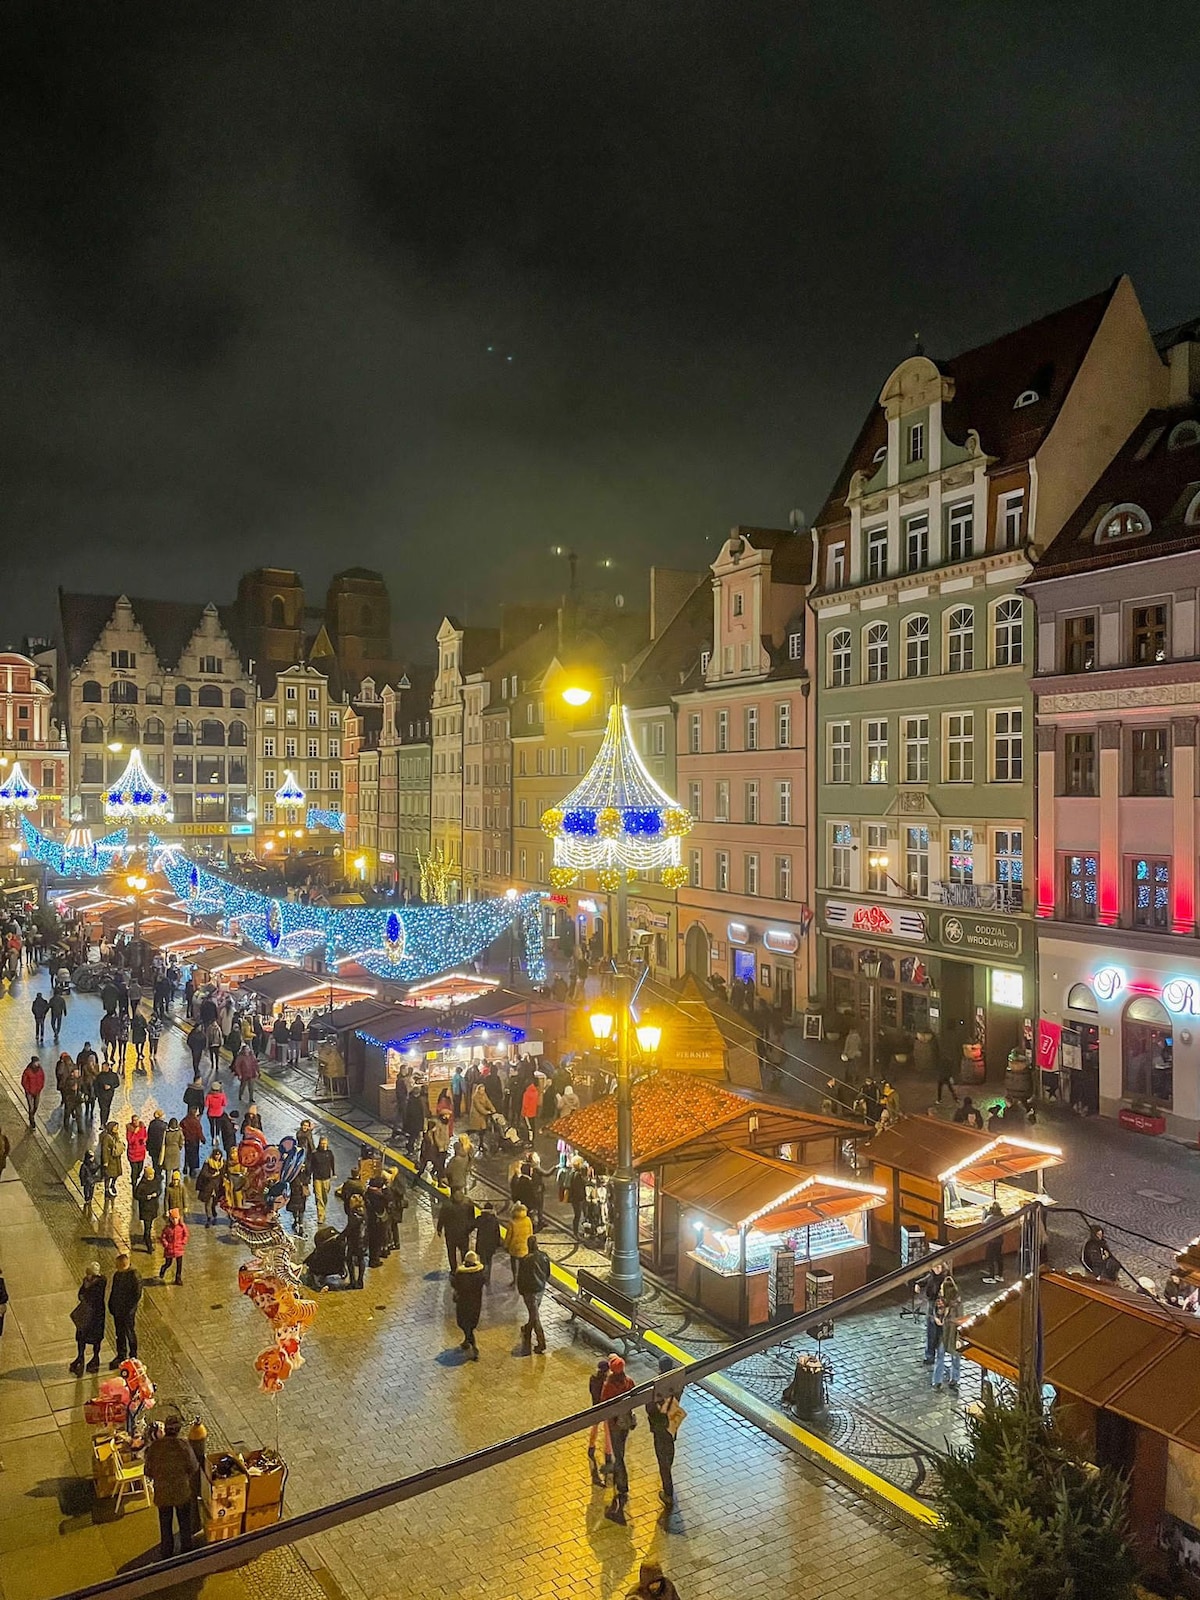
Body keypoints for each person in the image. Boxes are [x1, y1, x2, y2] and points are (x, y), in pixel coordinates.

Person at [143, 1414, 200, 1558]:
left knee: (165, 1524)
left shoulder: (155, 1447)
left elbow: (147, 1471)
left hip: (162, 1494)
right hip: (181, 1492)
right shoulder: (183, 1445)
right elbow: (193, 1467)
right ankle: (186, 1549)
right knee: (184, 1523)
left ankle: (166, 1552)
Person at [646, 1356, 686, 1507]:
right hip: (672, 1422)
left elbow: (650, 1408)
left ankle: (668, 1492)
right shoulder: (677, 1383)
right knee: (669, 1448)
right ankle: (668, 1466)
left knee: (662, 1457)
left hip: (660, 1426)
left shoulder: (656, 1386)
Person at [601, 1354, 636, 1523]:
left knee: (619, 1454)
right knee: (620, 1448)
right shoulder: (628, 1381)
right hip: (626, 1422)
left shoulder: (609, 1385)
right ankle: (618, 1476)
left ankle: (622, 1485)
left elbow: (603, 1401)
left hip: (615, 1424)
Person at [516, 1233, 550, 1354]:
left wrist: (521, 1290)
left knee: (535, 1317)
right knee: (533, 1313)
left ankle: (541, 1343)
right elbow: (548, 1274)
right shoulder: (544, 1257)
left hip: (530, 1291)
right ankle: (527, 1329)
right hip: (540, 1289)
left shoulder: (525, 1259)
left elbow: (520, 1277)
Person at [70, 1263, 107, 1373]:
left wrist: (86, 1288)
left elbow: (92, 1296)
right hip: (85, 1314)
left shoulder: (100, 1283)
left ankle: (95, 1359)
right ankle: (80, 1357)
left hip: (95, 1316)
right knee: (81, 1337)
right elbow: (81, 1294)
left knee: (96, 1339)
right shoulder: (86, 1281)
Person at [108, 1253, 142, 1364]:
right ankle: (121, 1354)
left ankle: (133, 1355)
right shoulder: (117, 1275)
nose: (116, 1267)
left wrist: (130, 1310)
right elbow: (114, 1290)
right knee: (119, 1333)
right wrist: (111, 1305)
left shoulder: (134, 1275)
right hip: (118, 1310)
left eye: (118, 1265)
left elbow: (136, 1295)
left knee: (129, 1332)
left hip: (127, 1312)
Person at [452, 1249, 486, 1358]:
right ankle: (467, 1341)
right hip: (476, 1303)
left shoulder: (461, 1275)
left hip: (463, 1303)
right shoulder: (480, 1274)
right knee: (471, 1323)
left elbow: (455, 1284)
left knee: (462, 1322)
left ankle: (473, 1343)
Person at [437, 1188, 476, 1274]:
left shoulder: (447, 1205)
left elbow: (442, 1217)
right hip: (463, 1233)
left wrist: (439, 1229)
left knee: (451, 1252)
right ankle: (465, 1267)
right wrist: (469, 1229)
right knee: (464, 1251)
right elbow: (472, 1218)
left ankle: (453, 1270)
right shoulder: (468, 1203)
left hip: (450, 1234)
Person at [917, 1259, 949, 1364]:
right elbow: (926, 1280)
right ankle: (930, 1355)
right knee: (931, 1332)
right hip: (931, 1305)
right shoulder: (932, 1276)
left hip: (941, 1307)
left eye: (938, 1267)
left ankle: (940, 1353)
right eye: (934, 1267)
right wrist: (918, 1284)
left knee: (939, 1332)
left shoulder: (945, 1279)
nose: (936, 1269)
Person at [587, 1357, 613, 1484]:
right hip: (605, 1409)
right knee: (607, 1432)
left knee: (594, 1427)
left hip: (595, 1407)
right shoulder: (606, 1382)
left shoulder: (593, 1378)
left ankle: (591, 1446)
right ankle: (608, 1454)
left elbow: (591, 1391)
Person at [931, 1294, 962, 1391]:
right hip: (942, 1335)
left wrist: (958, 1339)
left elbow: (960, 1322)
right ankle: (937, 1381)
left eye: (940, 1302)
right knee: (940, 1356)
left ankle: (955, 1379)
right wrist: (935, 1318)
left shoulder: (956, 1307)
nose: (939, 1303)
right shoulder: (937, 1307)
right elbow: (931, 1314)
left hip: (952, 1334)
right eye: (937, 1302)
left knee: (955, 1356)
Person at [473, 1201, 502, 1287]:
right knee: (489, 1262)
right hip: (491, 1244)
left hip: (481, 1243)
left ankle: (482, 1276)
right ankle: (487, 1279)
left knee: (482, 1261)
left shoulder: (480, 1218)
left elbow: (474, 1225)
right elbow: (497, 1234)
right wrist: (497, 1244)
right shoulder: (494, 1220)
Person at [308, 1136, 336, 1223]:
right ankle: (320, 1215)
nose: (323, 1145)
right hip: (317, 1178)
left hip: (326, 1178)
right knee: (318, 1197)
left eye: (325, 1143)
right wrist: (308, 1176)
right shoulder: (315, 1154)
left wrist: (334, 1173)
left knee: (325, 1197)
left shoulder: (329, 1153)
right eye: (322, 1143)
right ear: (319, 1144)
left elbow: (332, 1163)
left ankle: (323, 1210)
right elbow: (311, 1166)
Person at [506, 1200, 533, 1286]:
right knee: (523, 1265)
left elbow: (509, 1236)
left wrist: (506, 1245)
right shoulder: (528, 1220)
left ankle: (515, 1280)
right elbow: (531, 1233)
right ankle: (522, 1280)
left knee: (514, 1264)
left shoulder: (512, 1222)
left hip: (514, 1247)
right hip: (525, 1246)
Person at [343, 1195, 367, 1289]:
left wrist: (342, 1236)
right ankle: (360, 1281)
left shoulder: (353, 1213)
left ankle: (352, 1281)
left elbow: (350, 1228)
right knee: (361, 1259)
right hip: (363, 1239)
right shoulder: (364, 1210)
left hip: (354, 1240)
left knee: (349, 1259)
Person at [135, 1168, 161, 1253]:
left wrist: (156, 1194)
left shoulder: (156, 1181)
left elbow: (159, 1189)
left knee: (150, 1225)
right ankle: (149, 1246)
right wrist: (146, 1197)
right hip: (145, 1209)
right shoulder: (142, 1184)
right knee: (147, 1228)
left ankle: (145, 1238)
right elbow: (136, 1195)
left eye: (152, 1175)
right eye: (149, 1175)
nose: (151, 1177)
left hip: (153, 1208)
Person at [196, 1150, 225, 1226]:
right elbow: (203, 1173)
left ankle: (214, 1215)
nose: (217, 1156)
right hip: (208, 1187)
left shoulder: (223, 1163)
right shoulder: (207, 1163)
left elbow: (225, 1174)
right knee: (208, 1203)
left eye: (219, 1155)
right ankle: (209, 1218)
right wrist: (211, 1175)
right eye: (216, 1155)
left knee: (214, 1204)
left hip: (218, 1188)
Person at [159, 1209, 188, 1283]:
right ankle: (163, 1269)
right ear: (170, 1219)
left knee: (179, 1265)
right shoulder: (167, 1228)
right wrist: (166, 1244)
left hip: (179, 1248)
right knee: (168, 1263)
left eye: (176, 1218)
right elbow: (163, 1237)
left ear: (179, 1218)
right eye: (173, 1219)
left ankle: (178, 1278)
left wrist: (183, 1241)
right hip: (170, 1249)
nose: (175, 1220)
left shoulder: (182, 1226)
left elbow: (186, 1234)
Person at [982, 1200, 1006, 1283]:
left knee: (989, 1258)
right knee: (999, 1257)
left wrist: (984, 1212)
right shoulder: (1002, 1216)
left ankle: (991, 1276)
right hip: (1000, 1240)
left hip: (992, 1240)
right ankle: (999, 1275)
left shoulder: (991, 1218)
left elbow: (983, 1223)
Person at [385, 1168, 407, 1251]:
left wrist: (391, 1187)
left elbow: (400, 1192)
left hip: (396, 1207)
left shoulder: (398, 1183)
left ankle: (394, 1243)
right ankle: (395, 1243)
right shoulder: (398, 1180)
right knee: (393, 1225)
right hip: (395, 1207)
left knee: (392, 1225)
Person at [100, 1122, 124, 1200]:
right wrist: (105, 1161)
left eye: (117, 1127)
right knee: (108, 1175)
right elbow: (104, 1149)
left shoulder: (116, 1135)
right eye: (115, 1127)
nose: (116, 1129)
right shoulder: (107, 1137)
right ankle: (107, 1190)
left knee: (116, 1174)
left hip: (116, 1158)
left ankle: (112, 1185)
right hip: (110, 1159)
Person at [20, 1056, 44, 1129]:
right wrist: (27, 1090)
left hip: (37, 1091)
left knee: (36, 1106)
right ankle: (32, 1121)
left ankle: (32, 1115)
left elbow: (43, 1078)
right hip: (30, 1092)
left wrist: (40, 1087)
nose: (38, 1063)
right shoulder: (27, 1071)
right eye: (37, 1062)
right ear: (33, 1063)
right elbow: (23, 1081)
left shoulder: (40, 1070)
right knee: (31, 1107)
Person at [180, 1109, 204, 1179]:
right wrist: (203, 1139)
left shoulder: (185, 1120)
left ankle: (186, 1165)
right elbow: (199, 1132)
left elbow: (181, 1127)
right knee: (194, 1155)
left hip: (187, 1141)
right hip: (194, 1141)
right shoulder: (196, 1122)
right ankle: (192, 1170)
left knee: (187, 1154)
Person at [94, 1059, 119, 1126]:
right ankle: (102, 1123)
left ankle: (105, 1121)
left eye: (103, 1067)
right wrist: (97, 1095)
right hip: (101, 1096)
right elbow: (95, 1085)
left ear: (108, 1067)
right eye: (102, 1067)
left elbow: (117, 1084)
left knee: (107, 1108)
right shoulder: (99, 1076)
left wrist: (110, 1087)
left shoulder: (113, 1075)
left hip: (109, 1095)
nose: (102, 1069)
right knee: (103, 1109)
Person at [126, 1116, 148, 1190]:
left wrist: (145, 1139)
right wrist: (134, 1133)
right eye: (134, 1120)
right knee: (134, 1170)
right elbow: (130, 1141)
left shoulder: (142, 1127)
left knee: (140, 1169)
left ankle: (136, 1177)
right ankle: (134, 1184)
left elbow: (145, 1135)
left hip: (141, 1152)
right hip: (133, 1153)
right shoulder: (130, 1129)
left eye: (136, 1120)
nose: (135, 1122)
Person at [288, 1170, 311, 1238]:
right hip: (297, 1189)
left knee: (299, 1208)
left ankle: (298, 1224)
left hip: (298, 1189)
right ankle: (299, 1224)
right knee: (299, 1208)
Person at [205, 1080, 227, 1145]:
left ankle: (213, 1138)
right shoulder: (222, 1095)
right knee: (218, 1125)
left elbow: (206, 1105)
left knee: (212, 1126)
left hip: (210, 1113)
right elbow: (224, 1104)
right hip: (219, 1113)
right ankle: (217, 1136)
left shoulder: (209, 1096)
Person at [145, 1110, 167, 1177]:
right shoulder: (164, 1125)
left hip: (152, 1147)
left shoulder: (152, 1124)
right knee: (160, 1162)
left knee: (154, 1162)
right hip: (161, 1147)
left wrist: (148, 1146)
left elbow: (148, 1135)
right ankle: (159, 1174)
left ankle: (156, 1174)